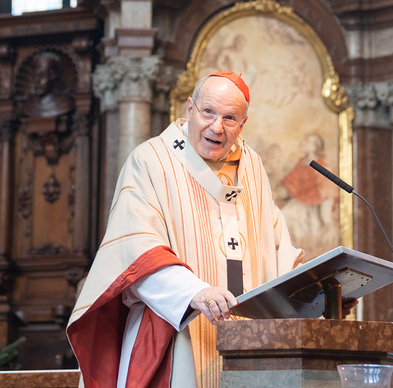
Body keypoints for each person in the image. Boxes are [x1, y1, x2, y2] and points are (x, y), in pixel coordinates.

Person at [67, 71, 303, 388]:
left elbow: (276, 247)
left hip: (252, 340)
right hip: (178, 330)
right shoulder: (151, 160)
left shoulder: (252, 167)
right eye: (208, 112)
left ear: (243, 123)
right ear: (190, 108)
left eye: (230, 118)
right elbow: (137, 249)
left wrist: (313, 291)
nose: (217, 127)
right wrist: (193, 292)